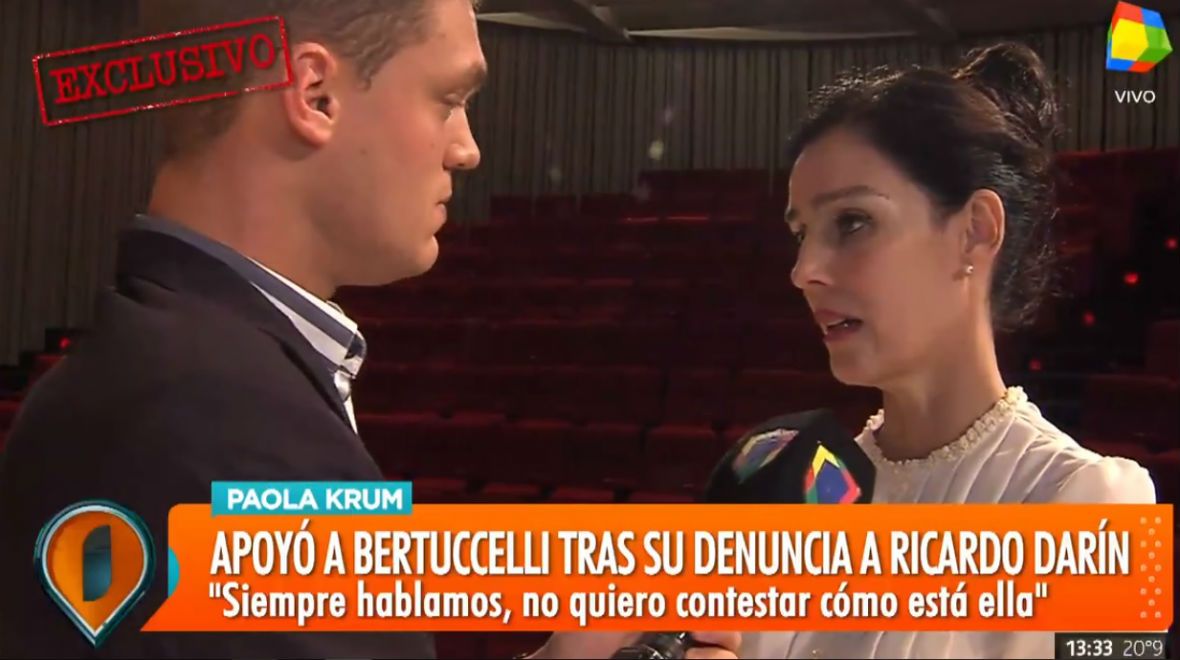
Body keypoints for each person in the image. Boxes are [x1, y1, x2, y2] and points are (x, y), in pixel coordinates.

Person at [0, 1, 739, 658]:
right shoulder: (232, 432)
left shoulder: (148, 377)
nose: (467, 148)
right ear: (314, 95)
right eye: (449, 98)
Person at [741, 42, 1158, 659]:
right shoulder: (806, 494)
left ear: (975, 231)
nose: (804, 271)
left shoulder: (1092, 503)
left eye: (852, 222)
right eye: (802, 233)